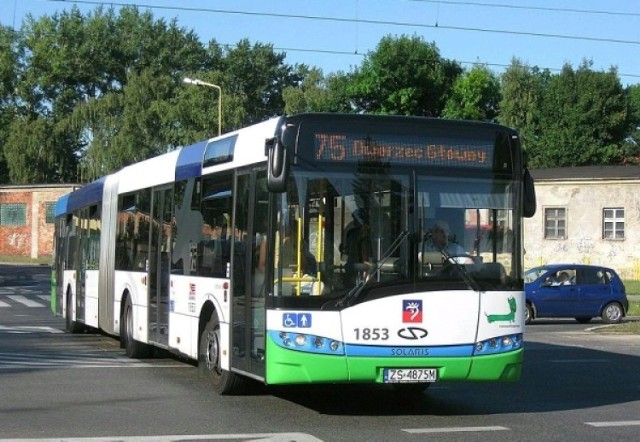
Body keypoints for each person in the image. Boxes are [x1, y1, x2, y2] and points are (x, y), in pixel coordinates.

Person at [340, 208, 371, 286]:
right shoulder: (352, 233)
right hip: (355, 266)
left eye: (356, 220)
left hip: (360, 267)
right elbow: (344, 249)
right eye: (354, 219)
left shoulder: (353, 233)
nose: (354, 222)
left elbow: (343, 249)